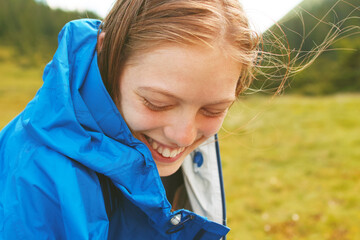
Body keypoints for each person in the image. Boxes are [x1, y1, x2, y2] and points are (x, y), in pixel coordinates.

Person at [0, 0, 258, 239]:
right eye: (158, 103)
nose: (183, 136)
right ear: (108, 53)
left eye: (212, 110)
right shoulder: (36, 179)